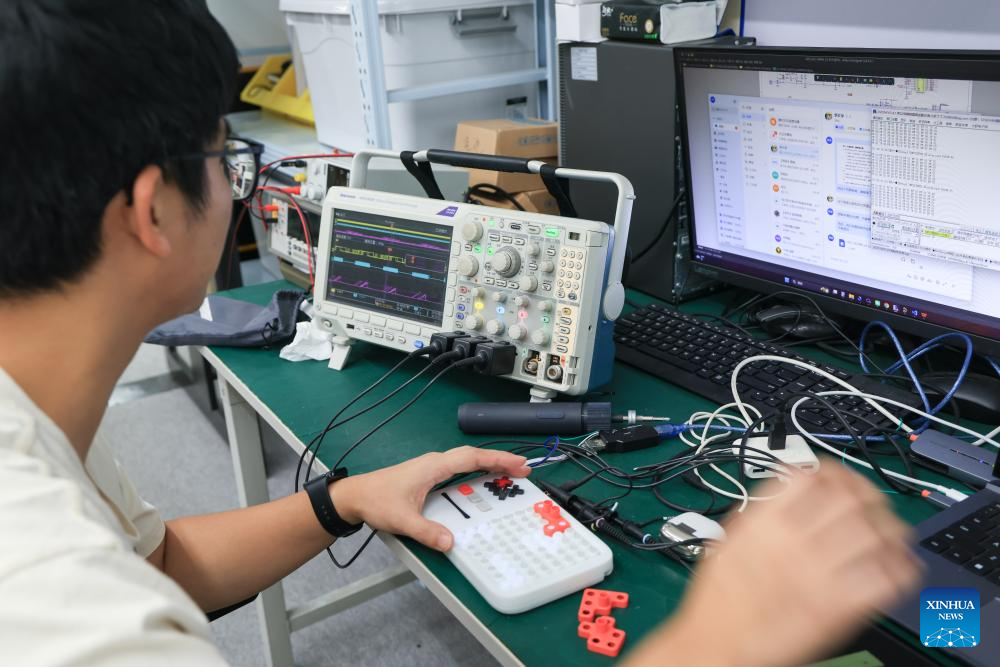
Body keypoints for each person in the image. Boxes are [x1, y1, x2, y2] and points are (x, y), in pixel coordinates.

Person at [0, 2, 921, 665]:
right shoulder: (59, 606)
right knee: (937, 609)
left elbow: (162, 563)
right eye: (230, 156)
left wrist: (344, 500)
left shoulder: (38, 416)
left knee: (948, 613)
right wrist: (723, 639)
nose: (240, 183)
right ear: (154, 208)